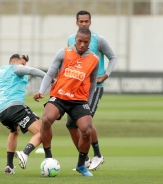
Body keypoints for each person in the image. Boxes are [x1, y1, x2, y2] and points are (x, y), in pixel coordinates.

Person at [33, 27, 99, 177]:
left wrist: (87, 103)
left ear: (90, 42)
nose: (82, 44)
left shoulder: (94, 60)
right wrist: (41, 91)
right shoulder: (64, 52)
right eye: (79, 41)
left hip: (79, 100)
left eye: (86, 42)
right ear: (75, 39)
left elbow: (93, 82)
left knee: (87, 130)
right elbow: (50, 72)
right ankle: (48, 157)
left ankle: (81, 165)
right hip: (60, 96)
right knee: (46, 119)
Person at [0, 54, 45, 174]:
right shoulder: (15, 68)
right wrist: (49, 77)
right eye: (22, 63)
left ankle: (9, 166)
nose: (24, 67)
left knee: (14, 131)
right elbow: (32, 70)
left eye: (24, 64)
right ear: (13, 62)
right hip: (16, 108)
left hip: (3, 113)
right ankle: (24, 153)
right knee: (43, 132)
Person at [67, 10, 117, 171]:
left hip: (94, 87)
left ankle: (97, 155)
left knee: (86, 121)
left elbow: (113, 57)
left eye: (86, 21)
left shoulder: (98, 39)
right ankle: (85, 159)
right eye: (81, 21)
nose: (84, 24)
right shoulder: (71, 39)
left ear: (90, 22)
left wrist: (106, 75)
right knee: (71, 125)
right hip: (76, 88)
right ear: (76, 23)